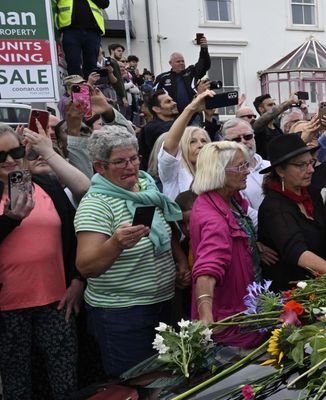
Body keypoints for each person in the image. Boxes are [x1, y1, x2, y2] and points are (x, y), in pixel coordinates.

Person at [74, 125, 189, 377]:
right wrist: (115, 244)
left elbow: (163, 229)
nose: (131, 167)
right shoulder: (96, 205)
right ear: (99, 167)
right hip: (123, 314)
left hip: (163, 302)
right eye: (120, 162)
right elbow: (86, 266)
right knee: (140, 383)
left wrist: (180, 261)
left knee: (170, 378)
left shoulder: (146, 186)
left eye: (134, 158)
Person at [0, 122, 90, 399]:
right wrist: (10, 220)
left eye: (15, 151)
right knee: (17, 383)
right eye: (0, 156)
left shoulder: (46, 185)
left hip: (56, 301)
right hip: (7, 308)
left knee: (64, 378)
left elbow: (73, 236)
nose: (10, 160)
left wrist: (78, 279)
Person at [189, 142, 263, 348]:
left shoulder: (231, 200)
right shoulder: (213, 218)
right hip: (231, 318)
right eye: (240, 167)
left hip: (246, 306)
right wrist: (206, 316)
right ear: (218, 172)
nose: (247, 171)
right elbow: (207, 269)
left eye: (246, 165)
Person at [258, 135, 326, 290]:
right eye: (301, 165)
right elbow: (296, 251)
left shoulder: (311, 193)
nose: (311, 170)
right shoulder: (274, 207)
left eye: (311, 162)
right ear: (280, 170)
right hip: (291, 293)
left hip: (319, 284)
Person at [158, 91, 214, 200]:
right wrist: (191, 108)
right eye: (192, 141)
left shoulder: (215, 174)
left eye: (204, 141)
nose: (200, 145)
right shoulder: (172, 173)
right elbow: (169, 146)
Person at [221, 118, 270, 212]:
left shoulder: (270, 166)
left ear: (254, 136)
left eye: (248, 136)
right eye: (236, 139)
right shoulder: (227, 176)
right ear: (226, 143)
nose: (243, 141)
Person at [153, 37, 211, 113]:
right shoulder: (162, 78)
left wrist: (204, 50)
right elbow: (154, 96)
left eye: (182, 61)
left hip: (193, 113)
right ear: (170, 63)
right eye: (178, 61)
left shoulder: (191, 72)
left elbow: (204, 65)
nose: (181, 63)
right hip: (172, 115)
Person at [56, 0, 109, 78]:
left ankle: (90, 87)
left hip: (92, 32)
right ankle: (78, 87)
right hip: (70, 30)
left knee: (91, 64)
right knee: (73, 61)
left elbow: (105, 3)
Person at [252, 94, 300, 160]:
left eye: (274, 104)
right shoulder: (258, 126)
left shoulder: (277, 128)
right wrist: (288, 102)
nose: (274, 106)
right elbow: (270, 114)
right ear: (261, 109)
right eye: (270, 105)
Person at [140, 91, 179, 169]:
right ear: (156, 109)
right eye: (168, 102)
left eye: (172, 100)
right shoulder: (152, 128)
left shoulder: (176, 122)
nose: (174, 103)